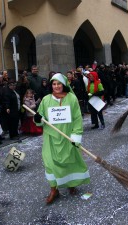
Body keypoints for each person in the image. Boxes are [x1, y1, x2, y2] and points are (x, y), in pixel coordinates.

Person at [34, 73, 90, 204]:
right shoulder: (46, 99)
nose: (56, 86)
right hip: (51, 138)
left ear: (64, 84)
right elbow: (40, 117)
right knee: (50, 163)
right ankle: (54, 189)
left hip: (67, 136)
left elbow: (77, 118)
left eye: (59, 83)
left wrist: (76, 135)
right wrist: (37, 119)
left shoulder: (71, 98)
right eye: (54, 84)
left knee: (69, 161)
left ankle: (71, 184)